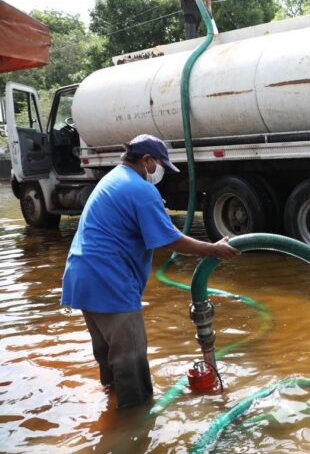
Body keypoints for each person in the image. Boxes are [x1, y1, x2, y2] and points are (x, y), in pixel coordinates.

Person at [61, 134, 239, 409]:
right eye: (160, 165)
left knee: (109, 358)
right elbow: (171, 240)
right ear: (146, 161)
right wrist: (213, 249)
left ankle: (110, 419)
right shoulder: (140, 189)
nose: (162, 173)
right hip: (110, 282)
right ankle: (135, 430)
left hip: (82, 278)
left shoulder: (112, 179)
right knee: (131, 364)